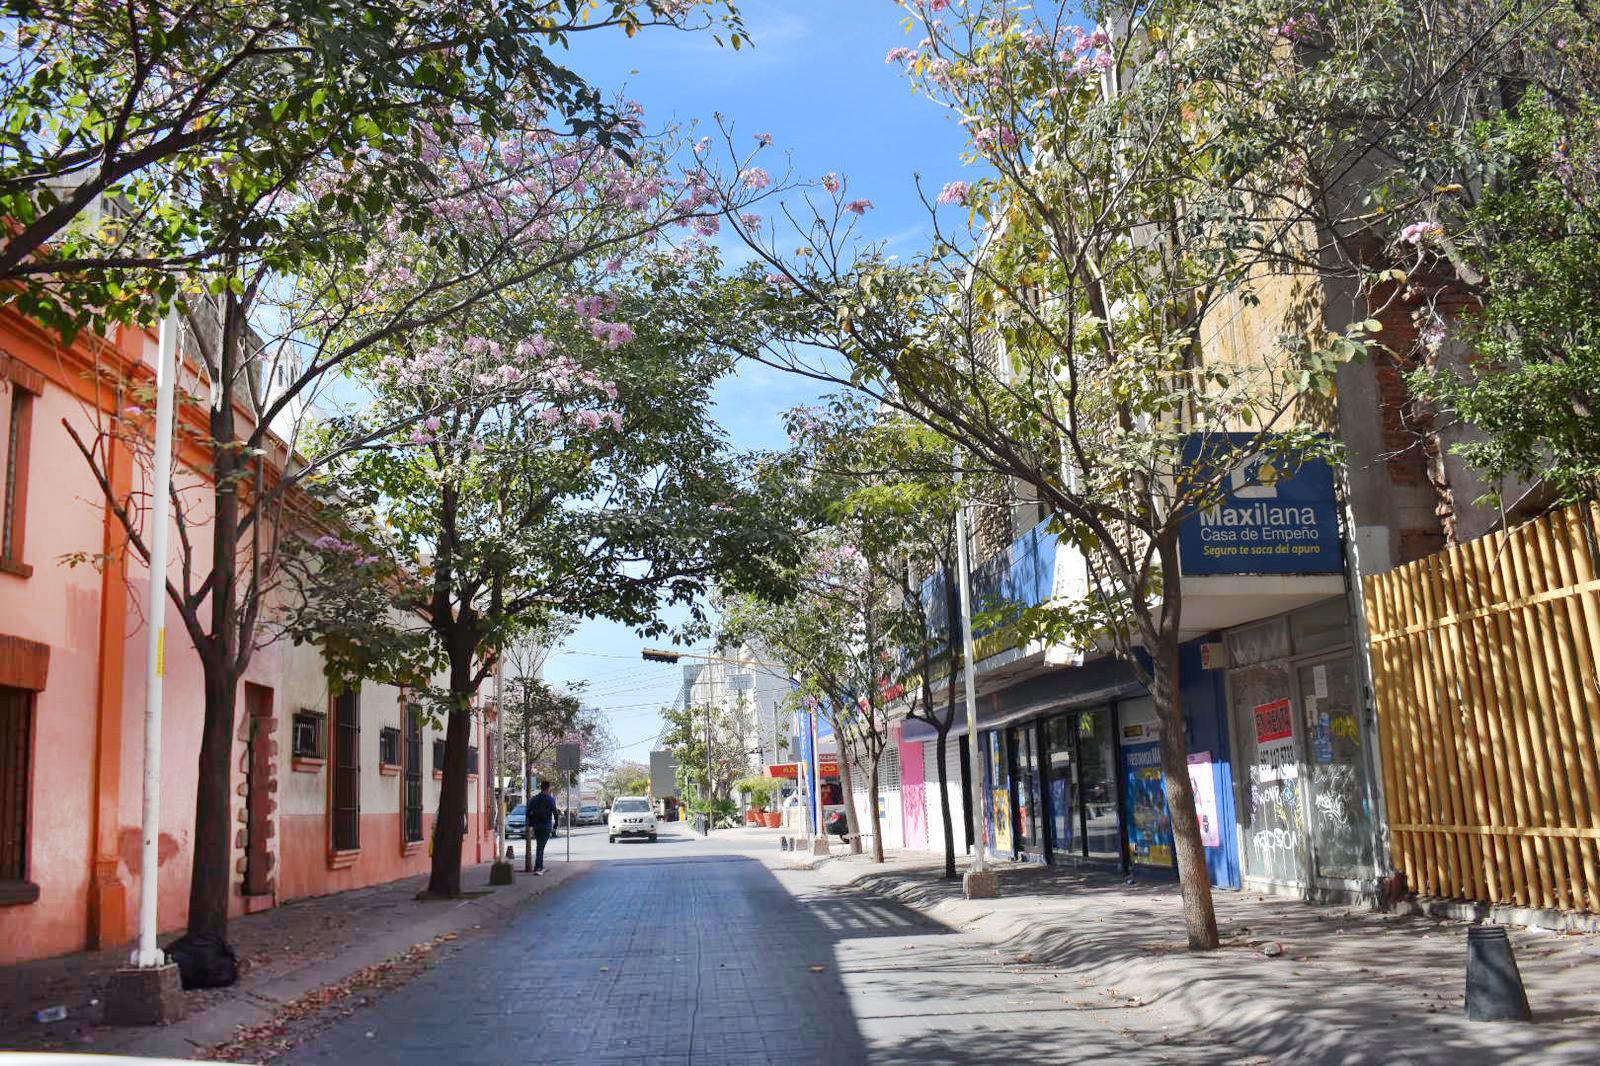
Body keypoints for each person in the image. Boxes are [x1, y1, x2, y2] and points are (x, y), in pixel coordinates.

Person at [530, 779, 559, 875]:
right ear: (548, 788)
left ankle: (539, 865)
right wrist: (556, 824)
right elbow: (555, 812)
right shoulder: (550, 799)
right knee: (541, 846)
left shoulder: (534, 799)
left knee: (540, 845)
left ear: (541, 787)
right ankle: (538, 866)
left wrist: (530, 823)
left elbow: (528, 811)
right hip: (546, 825)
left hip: (537, 826)